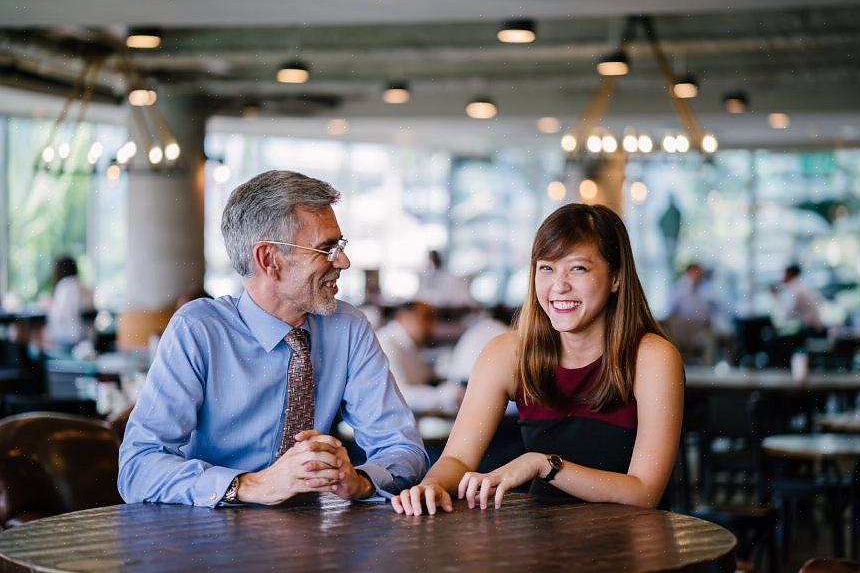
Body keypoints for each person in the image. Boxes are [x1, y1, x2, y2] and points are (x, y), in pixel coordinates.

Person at [119, 170, 427, 507]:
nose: (344, 261)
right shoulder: (199, 331)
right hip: (208, 537)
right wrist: (252, 485)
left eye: (340, 246)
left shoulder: (347, 328)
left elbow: (405, 449)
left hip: (312, 537)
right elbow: (137, 468)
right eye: (326, 249)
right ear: (270, 260)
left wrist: (361, 481)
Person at [392, 203, 684, 516]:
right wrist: (432, 485)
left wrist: (545, 465)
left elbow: (645, 492)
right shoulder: (507, 354)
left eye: (578, 268)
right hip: (543, 540)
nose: (559, 285)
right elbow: (458, 459)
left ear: (616, 278)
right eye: (546, 268)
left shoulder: (652, 358)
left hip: (632, 546)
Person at [376, 301, 463, 415]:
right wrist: (447, 395)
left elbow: (424, 377)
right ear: (403, 317)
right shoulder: (386, 343)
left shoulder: (409, 344)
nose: (430, 326)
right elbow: (398, 395)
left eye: (433, 319)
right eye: (425, 318)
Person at [45, 256, 93, 353]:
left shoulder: (64, 286)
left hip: (68, 339)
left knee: (35, 336)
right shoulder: (83, 286)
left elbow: (57, 317)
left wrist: (49, 306)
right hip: (87, 339)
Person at [772, 264, 824, 333]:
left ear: (790, 274)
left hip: (811, 328)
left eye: (784, 273)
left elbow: (789, 313)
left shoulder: (796, 290)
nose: (781, 276)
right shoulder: (800, 286)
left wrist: (776, 297)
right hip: (813, 325)